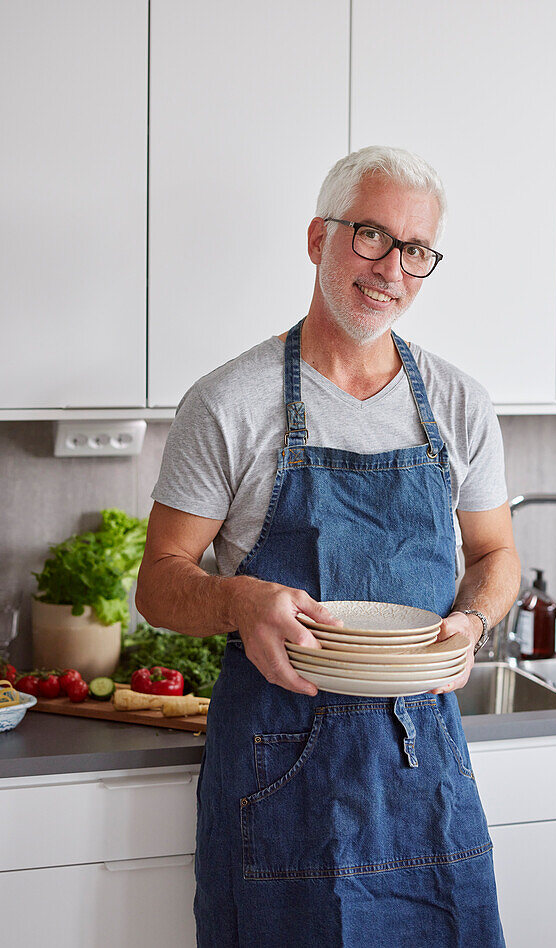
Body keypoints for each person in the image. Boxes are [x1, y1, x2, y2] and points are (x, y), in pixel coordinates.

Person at [136, 145, 521, 947]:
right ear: (318, 239)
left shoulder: (459, 403)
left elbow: (495, 557)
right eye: (371, 235)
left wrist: (476, 621)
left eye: (416, 250)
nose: (392, 270)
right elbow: (160, 582)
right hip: (278, 766)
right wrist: (239, 598)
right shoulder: (228, 403)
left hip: (426, 764)